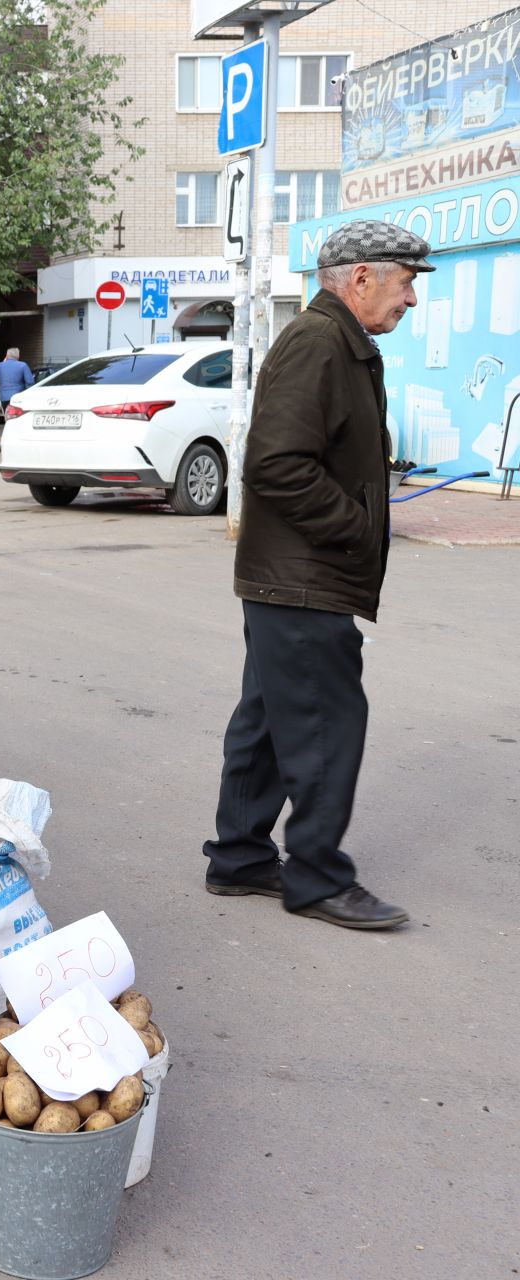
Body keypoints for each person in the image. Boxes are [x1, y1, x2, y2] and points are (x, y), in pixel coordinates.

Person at [201, 219, 431, 931]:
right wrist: (354, 524)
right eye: (407, 281)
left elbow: (308, 453)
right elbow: (274, 464)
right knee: (329, 722)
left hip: (291, 575)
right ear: (361, 277)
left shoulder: (340, 342)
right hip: (305, 577)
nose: (413, 299)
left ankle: (239, 857)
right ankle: (318, 877)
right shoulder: (319, 341)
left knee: (272, 718)